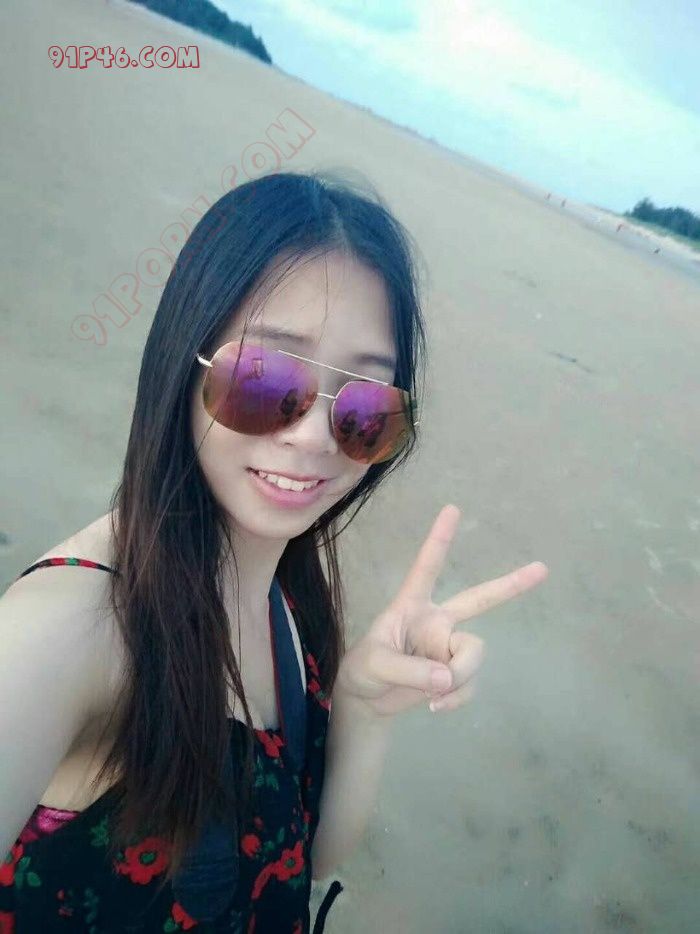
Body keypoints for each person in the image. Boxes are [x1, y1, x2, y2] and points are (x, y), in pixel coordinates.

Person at [0, 168, 429, 932]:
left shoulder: (290, 600)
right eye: (265, 378)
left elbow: (303, 860)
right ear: (184, 356)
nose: (313, 437)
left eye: (363, 405)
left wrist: (363, 707)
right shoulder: (71, 630)